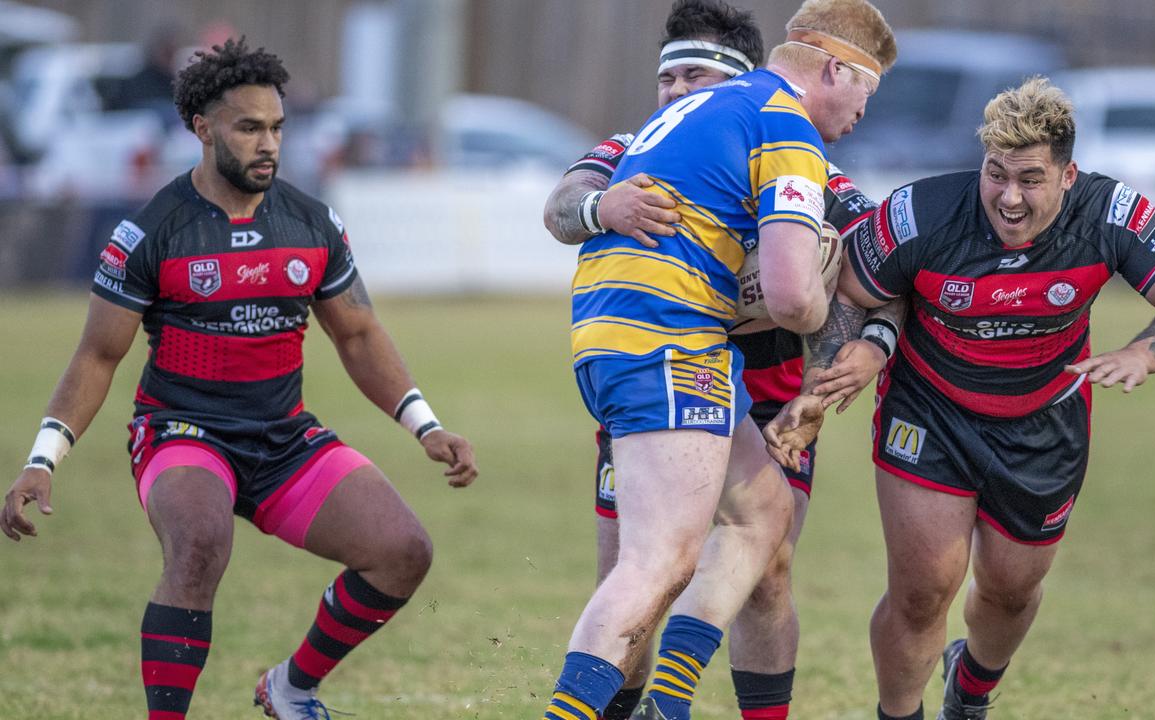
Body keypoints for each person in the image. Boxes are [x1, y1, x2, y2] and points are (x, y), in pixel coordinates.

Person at [0, 38, 478, 720]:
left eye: (277, 127)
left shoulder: (311, 223)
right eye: (249, 127)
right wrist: (43, 460)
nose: (269, 144)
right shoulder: (152, 231)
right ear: (202, 128)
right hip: (182, 434)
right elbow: (97, 357)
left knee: (402, 552)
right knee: (199, 543)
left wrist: (425, 425)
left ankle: (290, 687)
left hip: (283, 438)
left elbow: (358, 333)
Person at [767, 76, 1155, 720]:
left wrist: (1142, 353)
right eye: (996, 174)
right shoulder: (921, 212)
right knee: (923, 592)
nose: (1009, 197)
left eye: (1031, 179)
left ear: (1069, 176)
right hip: (931, 410)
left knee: (1012, 590)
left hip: (1045, 423)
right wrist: (836, 373)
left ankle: (971, 689)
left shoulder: (1109, 212)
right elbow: (849, 289)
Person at [539, 2, 896, 720]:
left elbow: (882, 266)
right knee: (654, 564)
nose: (864, 111)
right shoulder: (783, 124)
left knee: (760, 518)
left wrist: (853, 352)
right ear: (833, 70)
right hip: (667, 343)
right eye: (866, 90)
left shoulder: (706, 122)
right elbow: (797, 297)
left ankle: (665, 705)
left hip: (644, 341)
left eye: (691, 73)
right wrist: (813, 297)